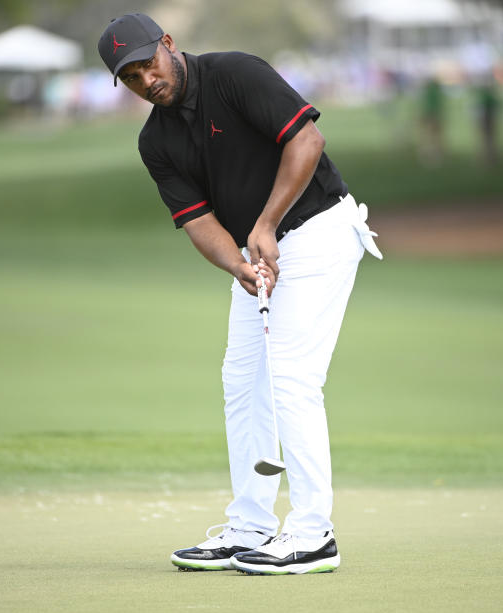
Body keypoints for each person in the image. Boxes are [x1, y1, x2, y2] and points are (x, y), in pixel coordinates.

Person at [98, 13, 381, 576]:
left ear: (168, 45)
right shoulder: (155, 139)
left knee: (291, 378)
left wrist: (266, 224)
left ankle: (312, 532)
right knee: (241, 381)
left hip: (320, 228)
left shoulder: (234, 74)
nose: (145, 80)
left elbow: (307, 140)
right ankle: (249, 526)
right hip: (259, 251)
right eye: (129, 77)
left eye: (147, 63)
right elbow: (198, 220)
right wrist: (240, 267)